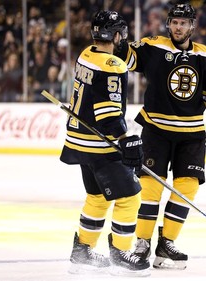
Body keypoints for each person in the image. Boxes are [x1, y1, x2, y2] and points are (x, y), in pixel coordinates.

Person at [117, 3, 206, 270]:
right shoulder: (154, 47)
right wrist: (118, 42)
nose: (178, 27)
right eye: (174, 22)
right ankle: (142, 243)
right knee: (150, 187)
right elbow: (127, 57)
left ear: (192, 26)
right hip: (156, 131)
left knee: (187, 187)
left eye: (183, 23)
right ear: (168, 24)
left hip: (192, 135)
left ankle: (166, 244)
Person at [59, 10, 150, 276]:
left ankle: (82, 251)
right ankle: (121, 255)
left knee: (97, 197)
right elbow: (108, 113)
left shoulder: (85, 54)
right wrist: (125, 139)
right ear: (118, 35)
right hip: (98, 146)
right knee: (130, 197)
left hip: (78, 141)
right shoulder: (113, 65)